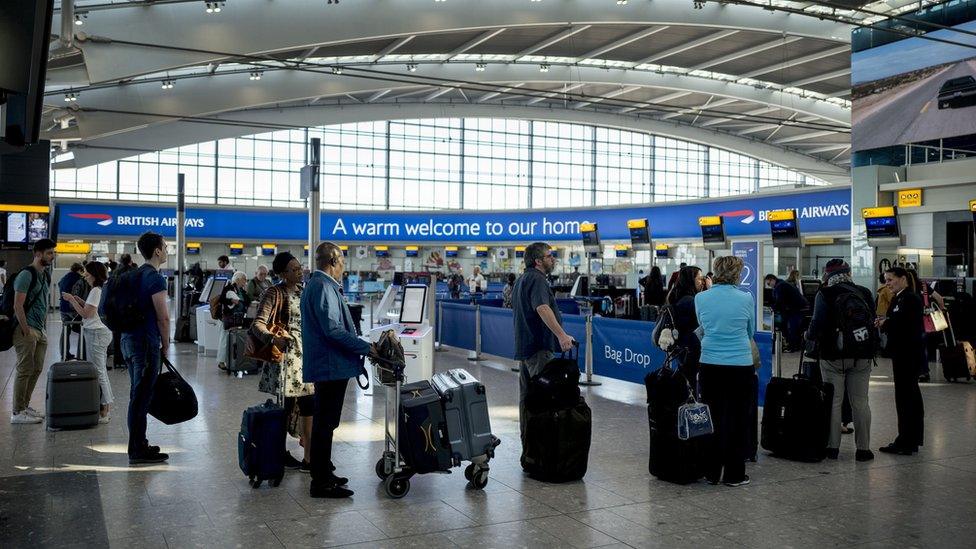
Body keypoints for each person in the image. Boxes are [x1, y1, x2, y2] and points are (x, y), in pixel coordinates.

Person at [302, 241, 374, 498]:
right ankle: (320, 481)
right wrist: (365, 347)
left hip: (331, 364)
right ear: (332, 262)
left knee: (327, 422)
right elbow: (332, 330)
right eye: (342, 263)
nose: (343, 268)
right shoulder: (322, 286)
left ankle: (324, 471)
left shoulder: (322, 286)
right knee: (324, 423)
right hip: (329, 365)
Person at [695, 256, 756, 487]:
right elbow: (749, 332)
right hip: (740, 364)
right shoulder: (746, 298)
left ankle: (711, 472)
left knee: (711, 417)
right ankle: (734, 474)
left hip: (709, 362)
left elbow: (703, 324)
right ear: (737, 274)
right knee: (739, 418)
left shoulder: (701, 298)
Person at [805, 259, 875, 462]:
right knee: (861, 402)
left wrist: (807, 336)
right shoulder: (864, 292)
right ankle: (863, 450)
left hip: (833, 355)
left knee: (834, 402)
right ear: (849, 273)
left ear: (827, 276)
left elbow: (816, 324)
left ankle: (832, 448)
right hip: (862, 354)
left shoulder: (824, 294)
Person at [252, 252, 315, 471]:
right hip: (286, 361)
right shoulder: (274, 293)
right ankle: (278, 453)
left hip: (305, 359)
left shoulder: (303, 291)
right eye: (295, 269)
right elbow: (257, 324)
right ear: (282, 273)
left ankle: (309, 456)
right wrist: (274, 338)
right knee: (285, 409)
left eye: (300, 268)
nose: (300, 272)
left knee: (309, 405)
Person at [512, 242, 576, 453]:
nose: (553, 259)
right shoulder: (537, 280)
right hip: (539, 348)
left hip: (526, 348)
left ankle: (529, 445)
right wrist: (561, 335)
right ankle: (543, 448)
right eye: (550, 256)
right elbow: (542, 307)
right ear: (538, 261)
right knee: (544, 397)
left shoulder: (522, 279)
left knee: (527, 398)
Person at [121, 232, 171, 465]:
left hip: (128, 341)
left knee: (137, 394)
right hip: (145, 343)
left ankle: (139, 444)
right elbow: (163, 318)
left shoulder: (135, 275)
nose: (168, 250)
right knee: (141, 398)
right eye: (165, 246)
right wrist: (166, 345)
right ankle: (137, 450)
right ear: (157, 251)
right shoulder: (155, 278)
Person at [877, 266, 925, 456]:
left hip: (909, 355)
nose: (887, 284)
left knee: (908, 398)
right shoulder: (900, 297)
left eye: (890, 280)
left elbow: (906, 325)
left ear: (903, 278)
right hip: (901, 354)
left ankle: (907, 440)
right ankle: (907, 438)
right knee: (905, 397)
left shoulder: (911, 299)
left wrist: (886, 323)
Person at [9, 239, 55, 425]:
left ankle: (24, 405)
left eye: (53, 252)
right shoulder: (26, 275)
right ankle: (17, 412)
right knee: (24, 369)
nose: (53, 256)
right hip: (26, 329)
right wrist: (26, 329)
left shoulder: (44, 275)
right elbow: (17, 305)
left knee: (36, 369)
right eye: (49, 253)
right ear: (38, 253)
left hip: (40, 329)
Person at [63, 262, 114, 424]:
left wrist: (72, 300)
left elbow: (87, 314)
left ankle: (106, 409)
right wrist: (79, 300)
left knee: (99, 372)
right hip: (99, 333)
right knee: (100, 371)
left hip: (96, 334)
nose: (85, 275)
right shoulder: (98, 290)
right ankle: (105, 406)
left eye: (87, 273)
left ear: (93, 274)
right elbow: (91, 310)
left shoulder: (95, 290)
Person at [664, 266, 705, 380]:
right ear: (691, 280)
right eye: (700, 279)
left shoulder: (678, 297)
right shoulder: (690, 301)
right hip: (692, 349)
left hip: (683, 348)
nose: (702, 282)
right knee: (691, 382)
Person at [764, 274, 807, 353]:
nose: (769, 286)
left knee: (791, 327)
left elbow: (780, 301)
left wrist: (772, 308)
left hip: (795, 308)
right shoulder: (781, 284)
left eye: (769, 284)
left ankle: (792, 347)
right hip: (798, 307)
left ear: (772, 280)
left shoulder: (780, 286)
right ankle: (794, 346)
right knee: (792, 327)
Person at [217, 271, 250, 371]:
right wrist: (231, 300)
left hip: (236, 319)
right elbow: (221, 299)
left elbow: (246, 301)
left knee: (230, 340)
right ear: (238, 279)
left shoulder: (240, 290)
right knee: (224, 340)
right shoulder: (229, 287)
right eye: (244, 279)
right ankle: (221, 361)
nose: (245, 282)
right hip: (227, 318)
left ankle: (229, 360)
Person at [58, 263, 85, 360]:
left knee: (65, 331)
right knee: (82, 330)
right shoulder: (79, 279)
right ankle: (81, 353)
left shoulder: (64, 277)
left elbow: (59, 285)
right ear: (79, 270)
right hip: (73, 308)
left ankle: (64, 354)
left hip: (63, 307)